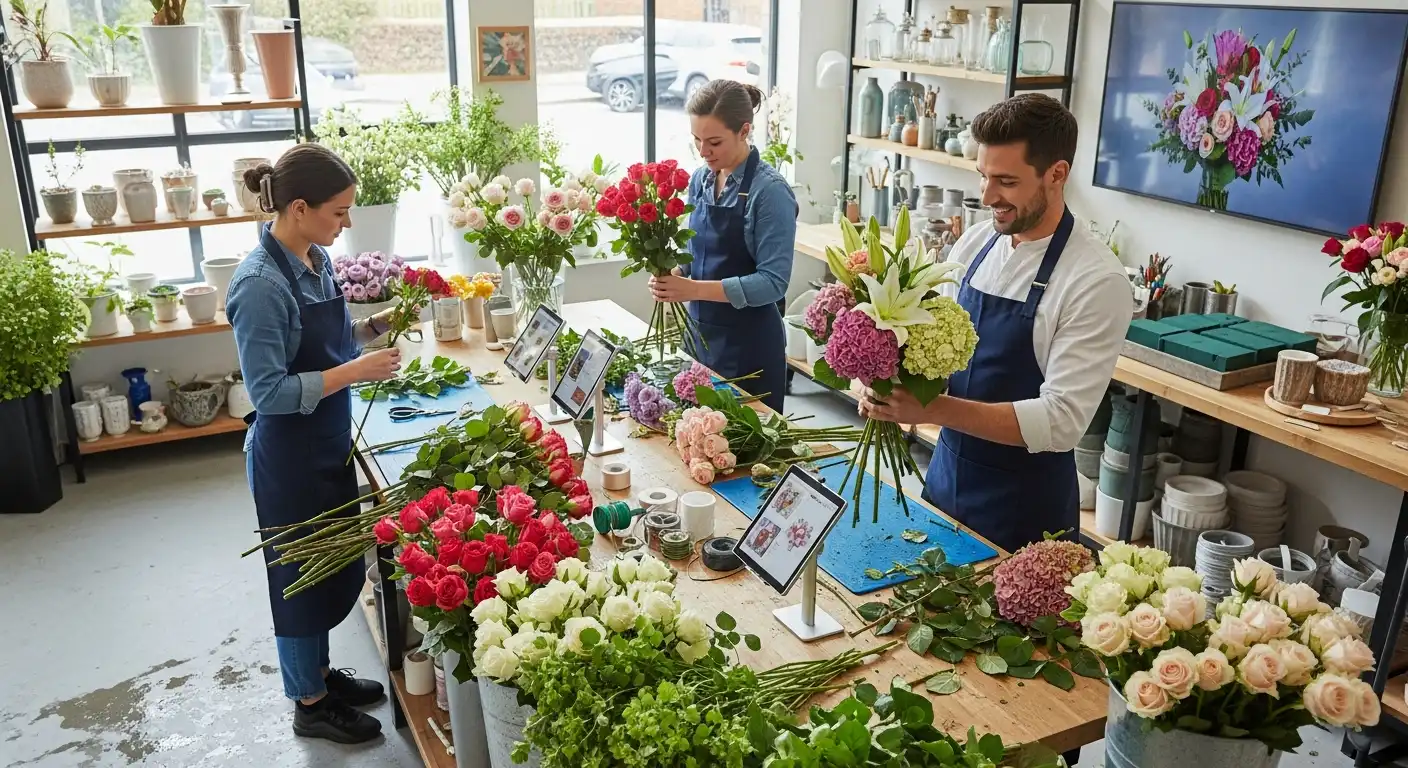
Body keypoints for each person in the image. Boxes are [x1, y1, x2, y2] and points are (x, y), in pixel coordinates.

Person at [860, 93, 1133, 553]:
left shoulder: (1094, 280)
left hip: (1025, 510)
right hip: (946, 477)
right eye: (984, 177)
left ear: (1057, 174)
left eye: (1006, 181)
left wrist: (930, 411)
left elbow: (1060, 422)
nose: (987, 197)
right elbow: (935, 349)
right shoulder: (977, 242)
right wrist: (888, 379)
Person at [226, 143, 403, 744]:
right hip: (289, 455)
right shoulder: (258, 284)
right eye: (339, 211)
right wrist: (358, 371)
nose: (347, 223)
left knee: (330, 567)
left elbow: (324, 341)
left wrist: (375, 328)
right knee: (299, 579)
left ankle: (321, 675)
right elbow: (269, 391)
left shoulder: (312, 257)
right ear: (299, 207)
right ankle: (309, 702)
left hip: (324, 440)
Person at [648, 79, 797, 414]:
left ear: (744, 131)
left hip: (750, 350)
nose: (703, 151)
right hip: (698, 341)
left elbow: (773, 283)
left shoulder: (770, 193)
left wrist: (692, 288)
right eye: (697, 140)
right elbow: (696, 253)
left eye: (714, 142)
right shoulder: (701, 180)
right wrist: (673, 275)